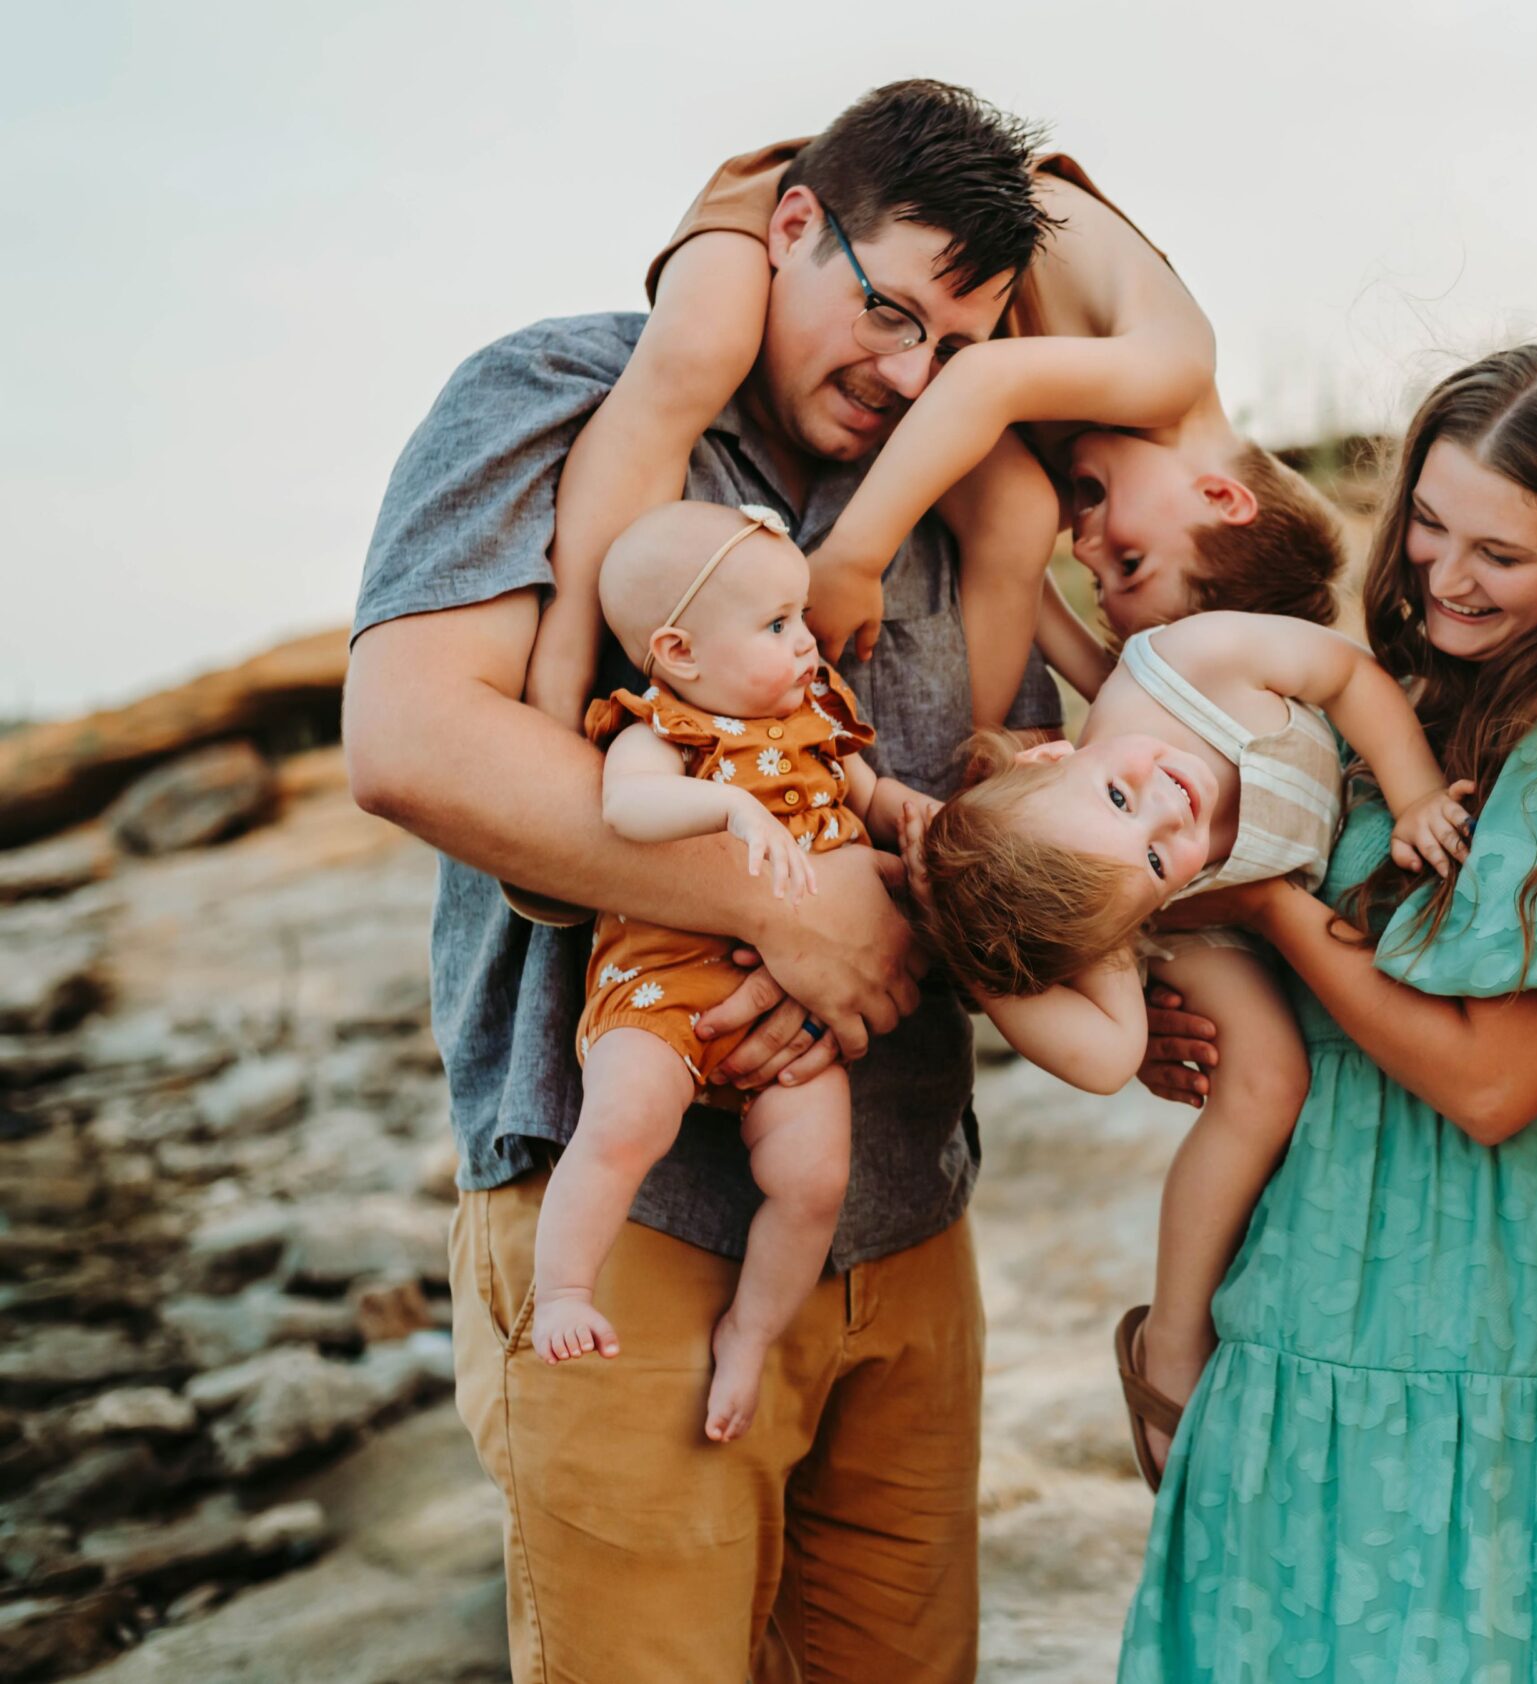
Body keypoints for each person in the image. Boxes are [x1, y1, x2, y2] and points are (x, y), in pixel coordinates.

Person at [344, 80, 1060, 1684]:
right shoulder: (557, 392)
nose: (906, 375)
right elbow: (410, 742)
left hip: (902, 1224)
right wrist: (788, 905)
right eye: (886, 312)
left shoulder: (949, 484)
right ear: (788, 223)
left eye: (955, 347)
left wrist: (936, 913)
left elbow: (1000, 822)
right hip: (630, 1225)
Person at [1115, 341, 1537, 1682]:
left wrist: (1273, 911)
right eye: (1429, 525)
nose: (1445, 575)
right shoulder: (1376, 686)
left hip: (1491, 1324)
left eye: (1500, 553)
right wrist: (1178, 996)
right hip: (1303, 1295)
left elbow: (1495, 1085)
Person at [523, 105, 1345, 736]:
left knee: (1019, 514)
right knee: (700, 351)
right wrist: (853, 558)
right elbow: (981, 379)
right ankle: (562, 688)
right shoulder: (1174, 368)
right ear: (1222, 497)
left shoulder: (1097, 457)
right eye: (1130, 560)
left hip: (938, 312)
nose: (1088, 546)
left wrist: (1142, 689)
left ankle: (971, 771)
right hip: (872, 205)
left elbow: (1018, 557)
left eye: (1103, 575)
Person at [905, 607, 1474, 1483]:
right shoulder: (1125, 878)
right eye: (1157, 855)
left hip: (1235, 885)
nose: (1171, 814)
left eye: (1120, 797)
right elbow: (1105, 1055)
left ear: (1055, 753)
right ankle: (1171, 1339)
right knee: (1265, 1081)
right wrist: (981, 963)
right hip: (1214, 914)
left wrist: (1417, 795)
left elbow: (1348, 675)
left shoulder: (1188, 665)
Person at [532, 502, 936, 1444]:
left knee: (813, 1179)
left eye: (800, 617)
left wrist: (932, 829)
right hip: (665, 984)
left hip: (796, 1011)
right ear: (677, 652)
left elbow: (873, 800)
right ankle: (562, 1291)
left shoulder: (818, 715)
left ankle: (750, 1335)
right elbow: (628, 810)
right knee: (624, 1122)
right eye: (776, 626)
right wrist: (728, 811)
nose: (807, 643)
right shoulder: (659, 731)